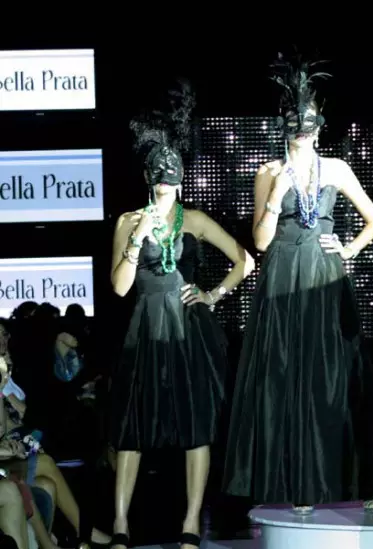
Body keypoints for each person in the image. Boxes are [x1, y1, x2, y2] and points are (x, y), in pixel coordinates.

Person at [223, 53, 373, 513]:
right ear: (285, 125)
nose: (303, 131)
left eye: (309, 123)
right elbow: (260, 241)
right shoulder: (268, 172)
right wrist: (276, 195)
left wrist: (348, 250)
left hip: (324, 277)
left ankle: (354, 481)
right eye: (295, 123)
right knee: (287, 376)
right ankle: (298, 486)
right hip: (282, 279)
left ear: (319, 126)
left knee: (335, 375)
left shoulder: (336, 168)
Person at [109, 80, 255, 549]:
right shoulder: (128, 221)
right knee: (132, 425)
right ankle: (120, 523)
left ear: (182, 179)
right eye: (158, 175)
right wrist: (137, 239)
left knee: (196, 424)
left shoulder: (193, 220)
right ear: (147, 177)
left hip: (188, 328)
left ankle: (191, 522)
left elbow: (246, 260)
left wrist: (213, 295)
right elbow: (120, 287)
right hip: (146, 327)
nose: (165, 182)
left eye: (172, 176)